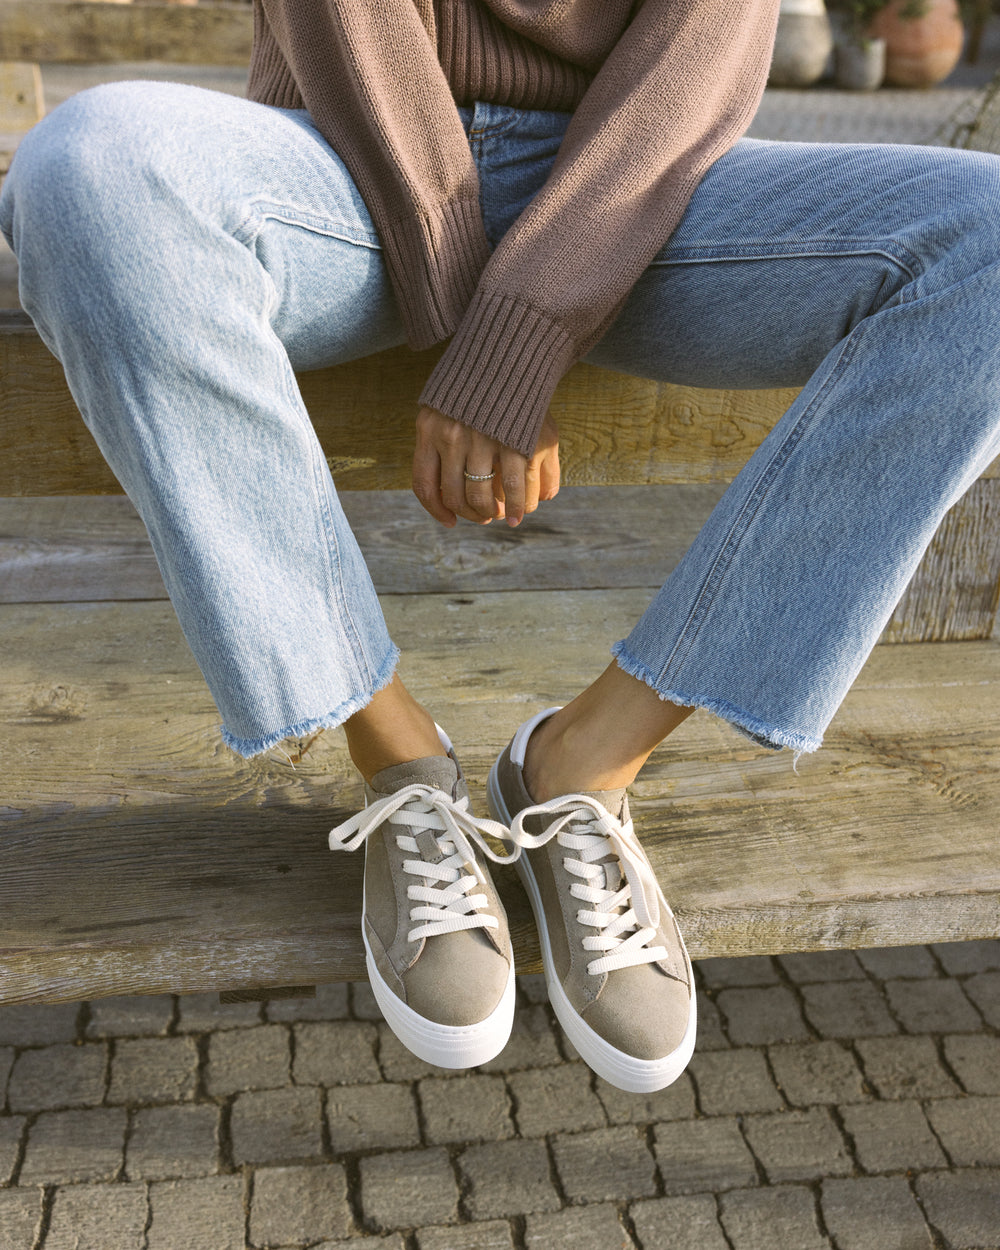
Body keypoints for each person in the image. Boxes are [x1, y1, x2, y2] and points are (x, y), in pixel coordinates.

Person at [2, 0, 999, 1093]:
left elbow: (706, 37)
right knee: (89, 170)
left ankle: (583, 761)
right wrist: (492, 326)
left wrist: (531, 315)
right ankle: (395, 755)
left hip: (639, 180)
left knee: (986, 249)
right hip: (339, 167)